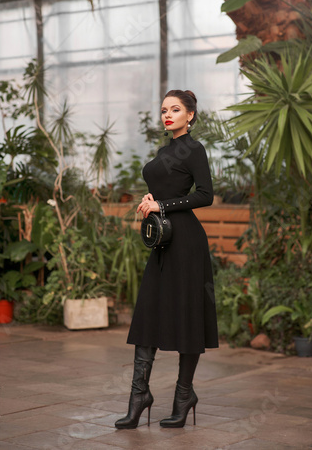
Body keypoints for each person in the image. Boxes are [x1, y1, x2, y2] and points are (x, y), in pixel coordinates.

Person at [115, 89, 219, 430]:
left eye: (175, 109)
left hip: (187, 243)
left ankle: (183, 396)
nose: (167, 115)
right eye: (163, 110)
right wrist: (152, 199)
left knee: (188, 317)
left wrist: (163, 205)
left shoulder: (195, 149)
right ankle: (139, 397)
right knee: (147, 314)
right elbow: (165, 193)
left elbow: (205, 195)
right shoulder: (165, 151)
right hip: (163, 241)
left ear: (190, 115)